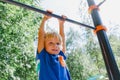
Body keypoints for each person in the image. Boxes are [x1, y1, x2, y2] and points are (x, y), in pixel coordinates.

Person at [36, 12, 71, 80]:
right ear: (44, 45)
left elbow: (62, 39)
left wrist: (61, 24)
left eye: (57, 43)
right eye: (51, 43)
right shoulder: (43, 56)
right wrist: (45, 19)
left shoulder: (60, 55)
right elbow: (41, 34)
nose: (55, 46)